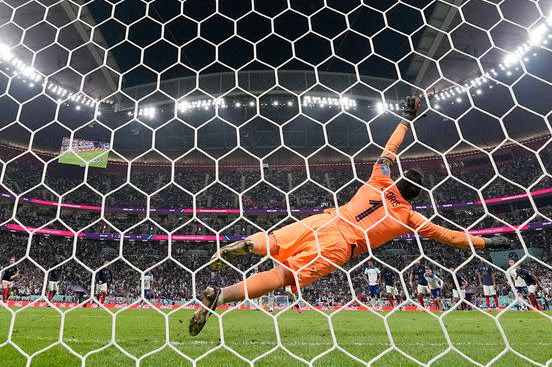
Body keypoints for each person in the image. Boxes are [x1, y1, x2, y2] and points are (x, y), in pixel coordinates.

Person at [189, 96, 510, 335]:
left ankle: (246, 244)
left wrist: (406, 118)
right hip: (340, 247)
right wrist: (487, 241)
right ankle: (221, 296)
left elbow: (389, 150)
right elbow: (449, 237)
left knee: (272, 243)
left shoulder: (380, 179)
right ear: (416, 197)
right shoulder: (410, 218)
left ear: (398, 180)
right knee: (283, 278)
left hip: (324, 221)